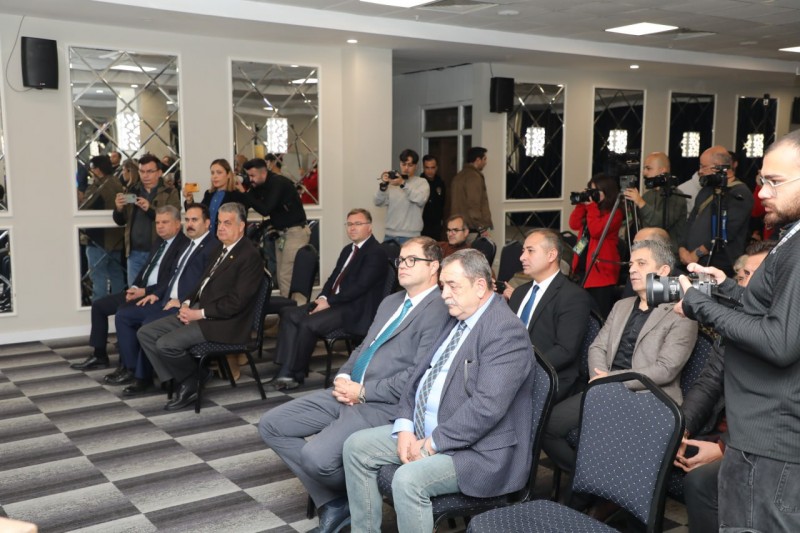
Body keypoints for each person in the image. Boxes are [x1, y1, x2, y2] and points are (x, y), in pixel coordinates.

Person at [258, 237, 450, 533]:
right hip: (349, 391)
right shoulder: (391, 302)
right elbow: (363, 347)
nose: (402, 265)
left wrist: (363, 392)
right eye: (401, 260)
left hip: (383, 405)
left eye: (412, 260)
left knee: (315, 458)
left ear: (434, 266)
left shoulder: (440, 309)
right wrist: (344, 376)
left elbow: (419, 375)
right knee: (271, 425)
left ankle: (355, 489)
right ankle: (335, 502)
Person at [342, 249, 535, 533]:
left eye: (453, 286)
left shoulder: (505, 332)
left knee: (407, 480)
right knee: (356, 447)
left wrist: (431, 444)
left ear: (480, 286)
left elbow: (486, 408)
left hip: (478, 451)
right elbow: (418, 377)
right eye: (443, 286)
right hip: (428, 429)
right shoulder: (456, 316)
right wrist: (405, 426)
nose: (444, 294)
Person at [674, 130, 800, 533]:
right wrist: (726, 287)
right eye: (763, 180)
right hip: (756, 434)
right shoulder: (789, 237)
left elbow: (779, 341)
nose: (762, 192)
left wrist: (699, 304)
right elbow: (774, 312)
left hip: (772, 440)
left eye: (775, 182)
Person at [542, 239, 697, 502]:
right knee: (548, 425)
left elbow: (665, 369)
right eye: (631, 264)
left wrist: (609, 379)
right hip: (604, 388)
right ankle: (592, 483)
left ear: (663, 271)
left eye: (641, 263)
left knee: (601, 436)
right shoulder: (622, 305)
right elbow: (597, 346)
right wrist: (599, 377)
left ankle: (589, 496)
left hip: (649, 396)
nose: (632, 269)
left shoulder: (681, 312)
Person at [673, 240, 772, 533]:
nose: (747, 284)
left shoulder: (782, 334)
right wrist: (681, 428)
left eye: (756, 275)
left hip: (762, 444)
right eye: (743, 276)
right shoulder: (734, 324)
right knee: (662, 446)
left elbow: (774, 410)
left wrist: (723, 448)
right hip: (721, 426)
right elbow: (708, 383)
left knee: (701, 483)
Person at [137, 202, 264, 411]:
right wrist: (186, 303)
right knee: (146, 333)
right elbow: (200, 284)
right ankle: (192, 378)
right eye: (219, 223)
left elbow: (236, 303)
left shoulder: (249, 256)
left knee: (166, 344)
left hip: (226, 323)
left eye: (227, 223)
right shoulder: (220, 248)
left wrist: (199, 313)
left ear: (241, 226)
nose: (221, 228)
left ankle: (189, 383)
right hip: (202, 312)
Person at [270, 208, 388, 389]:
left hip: (354, 309)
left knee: (307, 323)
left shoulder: (376, 252)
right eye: (349, 224)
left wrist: (329, 302)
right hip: (335, 302)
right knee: (289, 314)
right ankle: (285, 368)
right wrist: (323, 297)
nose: (352, 228)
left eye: (358, 224)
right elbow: (333, 278)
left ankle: (294, 373)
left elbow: (359, 288)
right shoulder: (348, 250)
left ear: (369, 227)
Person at [112, 204, 219, 395]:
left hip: (184, 306)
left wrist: (183, 300)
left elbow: (207, 283)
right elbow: (172, 277)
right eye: (188, 220)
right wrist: (156, 293)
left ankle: (144, 377)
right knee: (124, 315)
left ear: (207, 223)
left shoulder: (212, 247)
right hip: (165, 299)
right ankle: (131, 368)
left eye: (195, 220)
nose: (189, 224)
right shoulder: (190, 244)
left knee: (147, 325)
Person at [69, 206, 189, 372]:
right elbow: (145, 270)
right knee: (99, 306)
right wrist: (134, 287)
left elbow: (171, 281)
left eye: (165, 222)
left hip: (156, 295)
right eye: (157, 223)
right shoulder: (159, 242)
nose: (160, 226)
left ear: (177, 224)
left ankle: (127, 365)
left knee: (124, 312)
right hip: (140, 290)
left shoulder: (184, 246)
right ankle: (99, 356)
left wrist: (144, 292)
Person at [504, 228, 593, 401]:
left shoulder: (572, 296)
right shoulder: (519, 293)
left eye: (530, 251)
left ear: (551, 255)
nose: (522, 257)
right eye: (523, 251)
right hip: (510, 374)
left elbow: (565, 350)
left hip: (548, 378)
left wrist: (520, 369)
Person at [679, 146, 753, 276]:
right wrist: (682, 248)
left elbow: (728, 231)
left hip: (719, 265)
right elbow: (690, 221)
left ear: (718, 167)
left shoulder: (740, 193)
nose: (700, 171)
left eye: (703, 167)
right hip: (692, 262)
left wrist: (697, 253)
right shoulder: (706, 190)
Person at [242, 157, 310, 300]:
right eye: (248, 176)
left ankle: (295, 310)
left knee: (288, 276)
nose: (250, 179)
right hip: (282, 234)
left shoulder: (278, 183)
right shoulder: (261, 185)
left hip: (295, 232)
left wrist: (245, 194)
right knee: (281, 275)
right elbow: (248, 202)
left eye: (253, 175)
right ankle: (288, 308)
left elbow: (265, 209)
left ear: (263, 172)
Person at [113, 153, 181, 287]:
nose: (145, 175)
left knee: (156, 291)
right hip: (134, 253)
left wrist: (150, 209)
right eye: (142, 171)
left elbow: (173, 220)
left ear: (159, 172)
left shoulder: (170, 192)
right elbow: (120, 221)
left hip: (160, 251)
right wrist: (119, 209)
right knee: (134, 292)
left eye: (150, 171)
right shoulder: (133, 190)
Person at [569, 173, 623, 317]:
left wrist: (591, 207)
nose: (592, 195)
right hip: (582, 270)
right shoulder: (591, 210)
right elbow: (573, 224)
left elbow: (596, 231)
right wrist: (582, 205)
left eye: (595, 191)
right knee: (581, 314)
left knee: (598, 315)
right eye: (590, 190)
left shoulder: (615, 213)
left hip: (601, 274)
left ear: (607, 192)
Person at [81, 155, 126, 300]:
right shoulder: (117, 183)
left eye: (92, 168)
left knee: (98, 278)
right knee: (116, 276)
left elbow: (83, 208)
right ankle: (118, 307)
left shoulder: (97, 187)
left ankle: (99, 309)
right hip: (117, 239)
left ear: (98, 170)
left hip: (98, 240)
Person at [622, 151, 687, 251]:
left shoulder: (676, 196)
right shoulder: (647, 195)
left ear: (662, 170)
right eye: (644, 168)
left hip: (668, 254)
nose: (644, 173)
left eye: (648, 168)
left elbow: (660, 224)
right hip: (647, 251)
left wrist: (640, 202)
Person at [374, 148, 430, 244]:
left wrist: (403, 184)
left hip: (411, 236)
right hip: (389, 235)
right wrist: (383, 186)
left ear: (416, 166)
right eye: (403, 164)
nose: (406, 168)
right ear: (400, 164)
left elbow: (421, 199)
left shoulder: (422, 182)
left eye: (410, 165)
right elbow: (378, 202)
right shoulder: (392, 184)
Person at [183, 158, 242, 235]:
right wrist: (189, 200)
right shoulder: (208, 194)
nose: (215, 176)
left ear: (228, 175)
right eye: (212, 173)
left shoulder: (236, 195)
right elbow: (197, 214)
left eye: (219, 173)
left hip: (226, 237)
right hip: (208, 237)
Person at [448, 147, 492, 237]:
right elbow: (473, 204)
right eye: (484, 159)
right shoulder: (474, 177)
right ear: (478, 160)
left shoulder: (459, 176)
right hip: (471, 227)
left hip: (459, 226)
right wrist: (481, 227)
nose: (485, 162)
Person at [419, 154, 446, 240]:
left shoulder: (440, 182)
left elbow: (443, 203)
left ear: (436, 168)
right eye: (427, 168)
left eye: (432, 168)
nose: (430, 171)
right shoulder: (419, 183)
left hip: (436, 225)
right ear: (423, 168)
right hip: (422, 224)